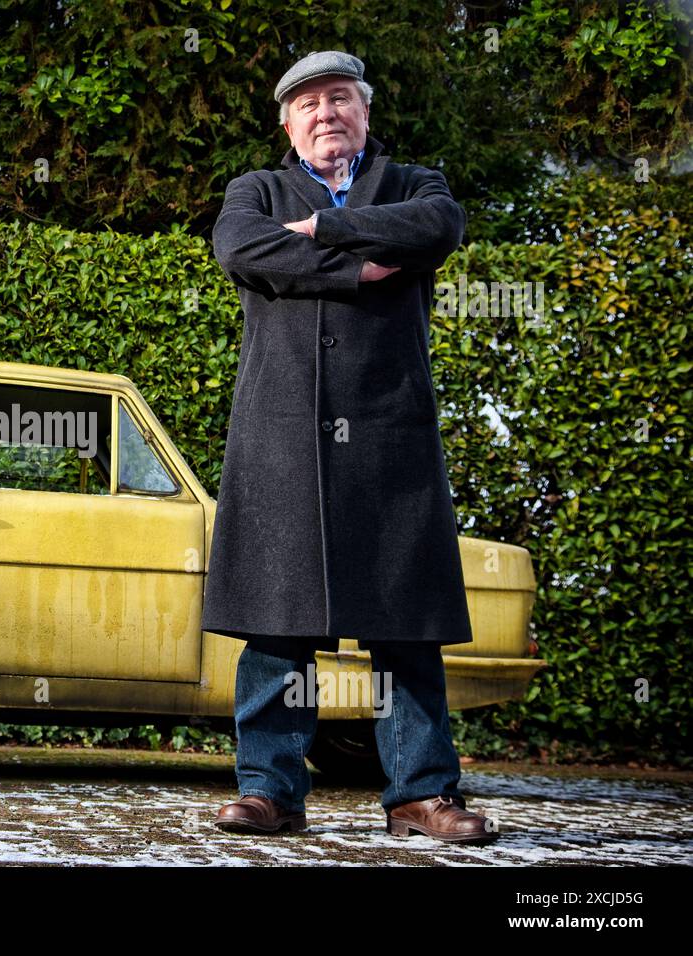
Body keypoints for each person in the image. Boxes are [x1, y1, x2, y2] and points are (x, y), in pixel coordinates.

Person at [201, 50, 498, 844]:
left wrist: (325, 227)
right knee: (276, 624)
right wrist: (360, 268)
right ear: (287, 125)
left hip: (390, 436)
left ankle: (420, 795)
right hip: (281, 435)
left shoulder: (415, 183)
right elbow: (242, 250)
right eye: (308, 104)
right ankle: (269, 792)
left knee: (406, 625)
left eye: (340, 99)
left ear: (366, 112)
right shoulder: (254, 191)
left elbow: (438, 229)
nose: (325, 113)